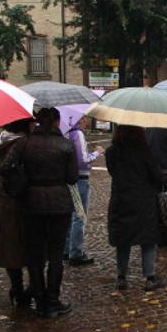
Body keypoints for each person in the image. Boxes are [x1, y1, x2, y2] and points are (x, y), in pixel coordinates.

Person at [19, 108, 78, 316]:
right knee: (55, 255)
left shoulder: (25, 143)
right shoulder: (65, 144)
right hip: (59, 203)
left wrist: (25, 182)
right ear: (56, 122)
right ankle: (52, 300)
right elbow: (72, 178)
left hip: (31, 203)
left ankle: (40, 300)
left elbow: (7, 167)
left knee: (35, 255)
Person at [105, 125, 166, 287]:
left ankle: (121, 276)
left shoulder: (112, 151)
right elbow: (157, 176)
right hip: (144, 200)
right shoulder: (146, 150)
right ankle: (150, 277)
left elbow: (113, 172)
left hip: (121, 198)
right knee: (147, 238)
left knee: (123, 239)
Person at [0, 119, 33, 307]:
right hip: (28, 204)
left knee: (10, 247)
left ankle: (16, 287)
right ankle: (32, 289)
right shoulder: (28, 147)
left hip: (6, 204)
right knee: (32, 248)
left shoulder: (0, 148)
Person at [65, 114, 100, 266]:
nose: (86, 121)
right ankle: (76, 252)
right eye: (84, 118)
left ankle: (67, 250)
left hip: (69, 178)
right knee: (79, 215)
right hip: (80, 179)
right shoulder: (77, 134)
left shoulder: (67, 133)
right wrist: (97, 153)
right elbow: (83, 160)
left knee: (69, 215)